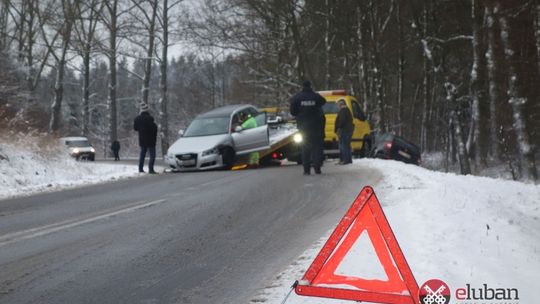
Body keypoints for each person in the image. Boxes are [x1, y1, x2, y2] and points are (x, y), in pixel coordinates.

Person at [290, 80, 326, 175]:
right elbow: (323, 101)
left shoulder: (297, 97)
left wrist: (300, 113)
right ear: (310, 86)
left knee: (305, 148)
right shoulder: (315, 96)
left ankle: (306, 170)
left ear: (302, 86)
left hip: (303, 127)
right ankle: (317, 168)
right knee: (316, 148)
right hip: (316, 127)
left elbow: (292, 111)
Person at [134, 103, 158, 174]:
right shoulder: (150, 118)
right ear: (147, 109)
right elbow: (153, 128)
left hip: (142, 139)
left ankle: (140, 168)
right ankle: (151, 169)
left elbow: (135, 128)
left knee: (142, 154)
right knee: (152, 155)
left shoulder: (137, 119)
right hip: (151, 139)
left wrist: (141, 130)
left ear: (141, 110)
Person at [335, 99, 354, 165]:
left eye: (338, 104)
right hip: (348, 130)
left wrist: (338, 127)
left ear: (341, 104)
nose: (337, 106)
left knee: (343, 146)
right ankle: (348, 160)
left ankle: (345, 160)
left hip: (344, 130)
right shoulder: (347, 110)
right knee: (347, 145)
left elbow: (342, 121)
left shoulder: (343, 111)